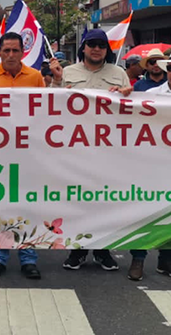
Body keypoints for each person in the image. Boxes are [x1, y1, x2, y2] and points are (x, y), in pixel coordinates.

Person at [48, 29, 132, 273]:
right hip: (75, 147)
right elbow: (51, 104)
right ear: (83, 48)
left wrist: (127, 95)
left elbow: (130, 109)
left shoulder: (119, 74)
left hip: (108, 149)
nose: (96, 49)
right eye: (92, 44)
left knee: (105, 200)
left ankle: (103, 250)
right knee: (77, 199)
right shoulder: (68, 73)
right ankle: (78, 249)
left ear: (107, 49)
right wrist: (55, 80)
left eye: (101, 45)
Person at [125, 47, 171, 281]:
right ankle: (138, 258)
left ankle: (167, 259)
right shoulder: (151, 94)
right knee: (144, 209)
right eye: (170, 68)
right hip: (153, 162)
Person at [0, 32, 44, 280]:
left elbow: (43, 113)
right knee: (0, 205)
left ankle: (28, 258)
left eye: (15, 50)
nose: (10, 55)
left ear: (22, 52)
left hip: (28, 152)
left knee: (28, 206)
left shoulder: (35, 77)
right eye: (5, 51)